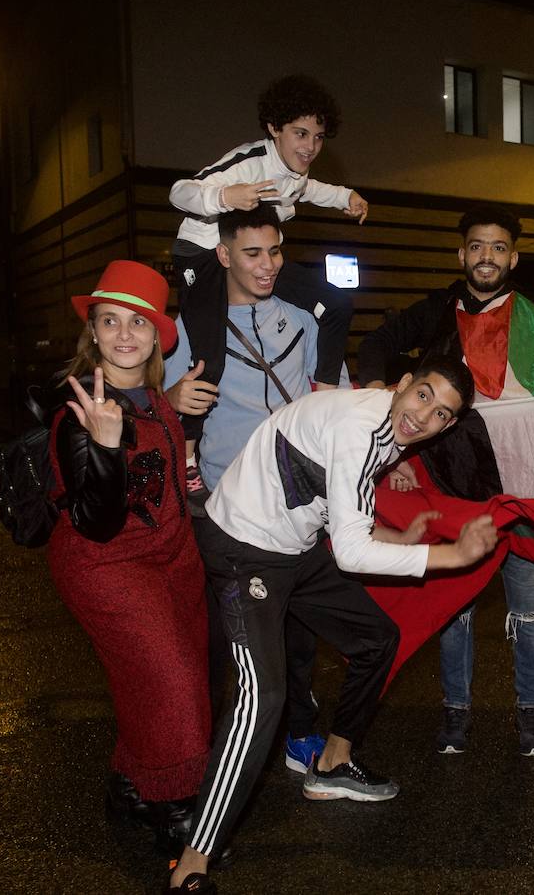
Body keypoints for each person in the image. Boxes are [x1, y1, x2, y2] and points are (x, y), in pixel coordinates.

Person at [166, 356, 499, 895]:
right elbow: (349, 551)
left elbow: (345, 514)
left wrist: (403, 539)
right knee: (261, 701)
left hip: (294, 550)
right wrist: (452, 556)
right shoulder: (361, 426)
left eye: (441, 414)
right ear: (402, 384)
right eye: (422, 397)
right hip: (245, 551)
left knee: (378, 637)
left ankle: (333, 765)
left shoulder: (388, 433)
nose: (424, 417)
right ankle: (191, 863)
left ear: (448, 425)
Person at [357, 204, 534, 758]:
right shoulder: (440, 310)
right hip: (453, 488)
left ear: (512, 257)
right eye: (476, 246)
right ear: (462, 253)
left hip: (523, 493)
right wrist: (383, 408)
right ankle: (455, 713)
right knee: (454, 610)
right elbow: (377, 343)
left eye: (497, 248)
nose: (485, 256)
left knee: (531, 611)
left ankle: (532, 713)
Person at [45, 260, 210, 856]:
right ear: (91, 332)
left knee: (161, 677)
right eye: (109, 321)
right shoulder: (79, 412)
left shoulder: (155, 396)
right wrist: (107, 447)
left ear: (157, 335)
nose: (122, 335)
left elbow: (169, 472)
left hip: (172, 555)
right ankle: (178, 813)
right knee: (174, 685)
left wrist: (171, 403)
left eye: (137, 322)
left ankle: (130, 787)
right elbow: (96, 519)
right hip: (106, 564)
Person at [163, 204, 331, 778]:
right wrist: (172, 399)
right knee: (228, 634)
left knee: (299, 627)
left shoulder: (303, 321)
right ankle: (214, 751)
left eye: (276, 252)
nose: (267, 266)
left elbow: (330, 398)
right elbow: (153, 401)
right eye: (253, 253)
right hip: (224, 506)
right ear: (224, 255)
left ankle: (300, 733)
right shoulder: (193, 327)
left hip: (295, 500)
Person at [168, 74, 366, 495]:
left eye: (318, 136)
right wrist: (224, 197)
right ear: (274, 129)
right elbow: (180, 191)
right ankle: (187, 456)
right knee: (210, 357)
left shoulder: (295, 172)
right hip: (201, 256)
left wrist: (347, 197)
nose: (310, 146)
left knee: (335, 306)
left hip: (248, 252)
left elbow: (309, 189)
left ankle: (324, 395)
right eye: (299, 133)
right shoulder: (249, 161)